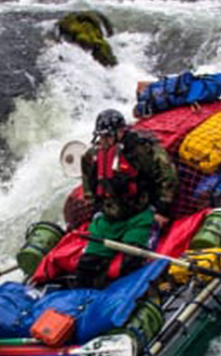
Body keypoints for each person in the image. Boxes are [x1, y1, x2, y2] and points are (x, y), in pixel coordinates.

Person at [75, 109, 178, 288]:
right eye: (101, 137)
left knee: (132, 264)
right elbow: (89, 189)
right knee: (87, 267)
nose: (104, 141)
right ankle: (86, 300)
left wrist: (161, 209)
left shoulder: (141, 149)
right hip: (108, 218)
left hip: (139, 215)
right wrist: (97, 212)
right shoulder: (91, 157)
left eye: (108, 136)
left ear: (121, 132)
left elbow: (168, 177)